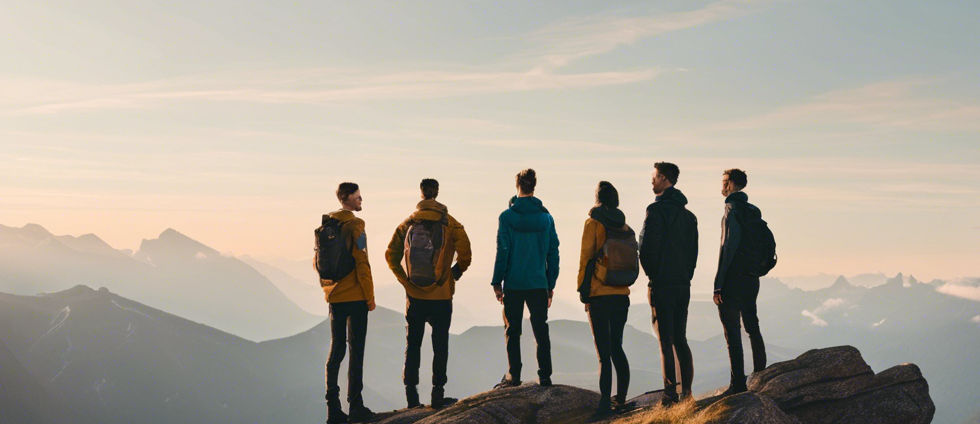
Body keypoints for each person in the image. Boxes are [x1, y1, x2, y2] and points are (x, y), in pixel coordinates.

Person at [385, 178, 472, 409]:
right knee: (440, 345)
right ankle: (437, 394)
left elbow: (390, 255)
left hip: (414, 298)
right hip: (441, 297)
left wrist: (404, 280)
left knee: (413, 344)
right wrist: (454, 273)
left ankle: (411, 397)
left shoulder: (408, 223)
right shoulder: (451, 224)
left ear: (421, 194)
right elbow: (466, 255)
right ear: (437, 193)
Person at [490, 168, 559, 389]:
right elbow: (553, 253)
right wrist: (551, 283)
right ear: (534, 186)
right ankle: (545, 375)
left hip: (514, 282)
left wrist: (496, 281)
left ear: (517, 186)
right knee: (541, 329)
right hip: (539, 282)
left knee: (513, 330)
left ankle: (514, 376)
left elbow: (503, 251)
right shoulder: (546, 218)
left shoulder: (506, 217)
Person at [638, 162, 698, 407]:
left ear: (664, 178)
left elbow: (646, 248)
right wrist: (686, 275)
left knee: (665, 340)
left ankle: (669, 395)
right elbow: (693, 252)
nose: (651, 181)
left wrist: (654, 275)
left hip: (662, 284)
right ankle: (688, 393)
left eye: (654, 177)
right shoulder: (689, 216)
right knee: (681, 338)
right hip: (683, 284)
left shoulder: (654, 211)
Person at [319, 182, 376, 424]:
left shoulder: (327, 225)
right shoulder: (356, 225)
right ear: (346, 198)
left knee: (336, 350)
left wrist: (329, 290)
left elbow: (318, 262)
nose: (361, 199)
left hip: (334, 297)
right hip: (355, 297)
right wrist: (370, 297)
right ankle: (356, 405)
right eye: (357, 197)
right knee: (356, 350)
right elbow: (362, 261)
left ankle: (333, 409)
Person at [577, 181, 633, 418]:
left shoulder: (593, 223)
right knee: (617, 347)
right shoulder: (624, 226)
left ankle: (603, 406)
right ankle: (620, 398)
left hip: (599, 295)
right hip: (621, 295)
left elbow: (586, 257)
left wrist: (583, 290)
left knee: (603, 353)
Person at [713, 168, 767, 395]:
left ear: (733, 184)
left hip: (733, 280)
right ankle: (762, 375)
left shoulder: (731, 210)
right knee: (752, 327)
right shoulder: (753, 210)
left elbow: (728, 248)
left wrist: (718, 283)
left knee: (732, 332)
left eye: (724, 181)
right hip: (752, 278)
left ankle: (737, 384)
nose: (722, 185)